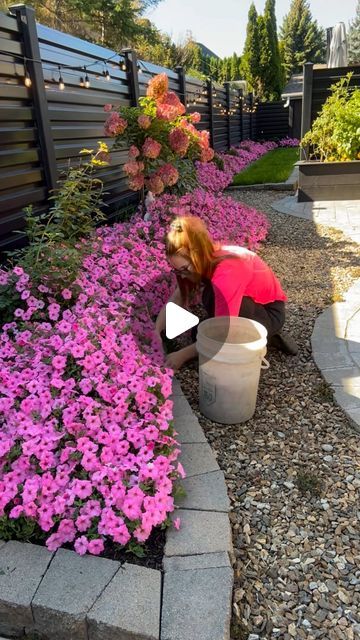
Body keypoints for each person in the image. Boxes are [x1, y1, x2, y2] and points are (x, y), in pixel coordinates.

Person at [155, 215, 298, 371]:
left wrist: (181, 355)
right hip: (247, 306)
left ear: (198, 254)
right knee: (200, 332)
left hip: (268, 313)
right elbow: (178, 297)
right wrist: (156, 330)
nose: (181, 275)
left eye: (184, 269)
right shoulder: (206, 260)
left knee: (216, 337)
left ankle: (268, 336)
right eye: (176, 270)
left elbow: (224, 331)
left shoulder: (227, 274)